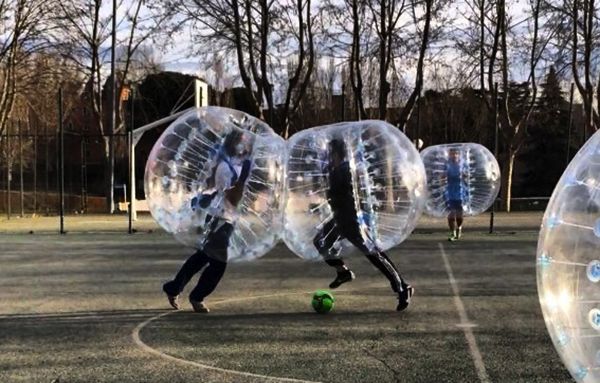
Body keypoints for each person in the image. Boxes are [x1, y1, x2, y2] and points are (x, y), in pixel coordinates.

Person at [312, 138, 414, 311]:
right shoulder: (336, 169)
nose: (327, 156)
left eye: (330, 153)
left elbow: (352, 193)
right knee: (321, 242)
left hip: (351, 219)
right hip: (340, 218)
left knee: (373, 253)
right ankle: (343, 272)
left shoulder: (345, 170)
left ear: (336, 153)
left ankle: (402, 287)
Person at [162, 129, 251, 313]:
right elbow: (231, 198)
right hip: (220, 218)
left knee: (203, 256)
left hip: (226, 218)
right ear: (233, 144)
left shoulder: (237, 164)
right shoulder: (226, 167)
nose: (246, 145)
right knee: (218, 263)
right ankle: (197, 296)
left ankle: (174, 287)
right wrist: (243, 179)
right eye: (242, 141)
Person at [445, 147, 468, 241]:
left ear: (458, 155)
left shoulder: (463, 164)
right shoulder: (447, 165)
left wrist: (464, 175)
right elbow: (441, 176)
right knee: (450, 215)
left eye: (455, 154)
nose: (454, 155)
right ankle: (452, 233)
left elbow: (468, 176)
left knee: (459, 214)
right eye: (452, 154)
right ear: (449, 154)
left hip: (460, 192)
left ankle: (459, 229)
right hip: (449, 192)